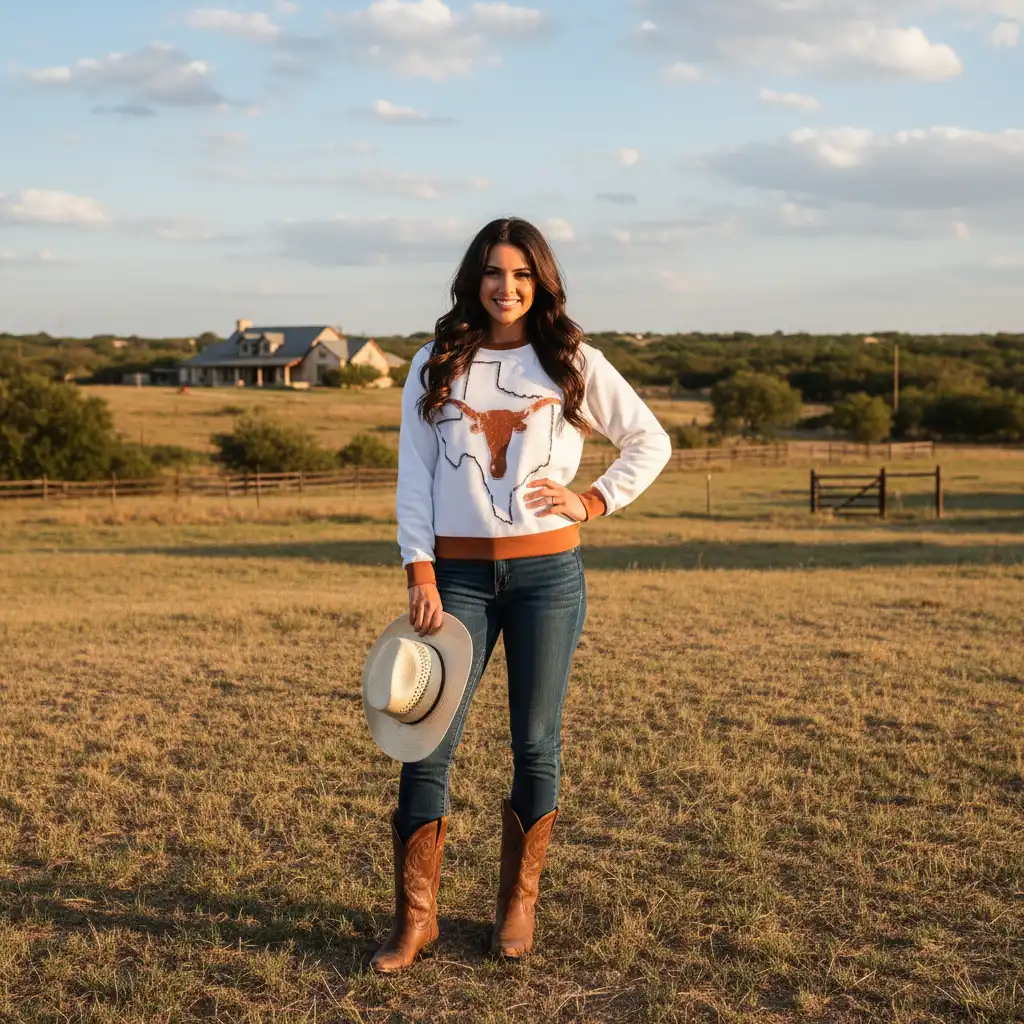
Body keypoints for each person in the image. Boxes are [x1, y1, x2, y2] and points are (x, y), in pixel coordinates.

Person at [372, 217, 672, 972]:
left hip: (548, 576)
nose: (506, 288)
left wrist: (593, 501)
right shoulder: (436, 362)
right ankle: (416, 920)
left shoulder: (570, 359)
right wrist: (421, 570)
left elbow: (650, 440)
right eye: (493, 273)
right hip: (459, 579)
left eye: (521, 276)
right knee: (425, 741)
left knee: (535, 742)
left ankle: (517, 907)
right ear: (473, 279)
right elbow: (417, 480)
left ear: (540, 283)